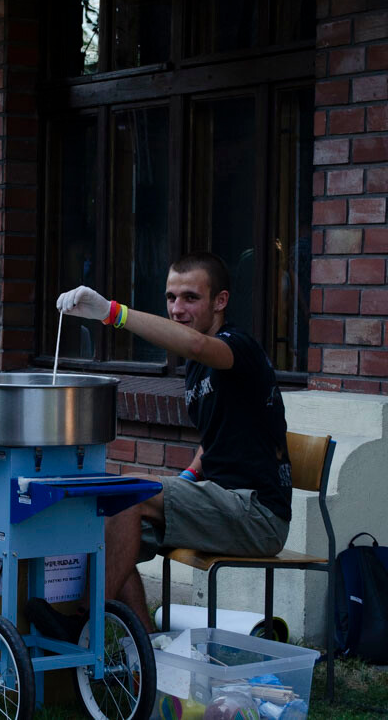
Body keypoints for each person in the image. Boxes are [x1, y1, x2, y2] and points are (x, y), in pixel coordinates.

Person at [48, 252, 292, 633]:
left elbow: (195, 345)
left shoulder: (237, 347)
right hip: (221, 500)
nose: (177, 308)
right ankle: (147, 648)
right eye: (171, 297)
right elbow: (213, 443)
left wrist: (113, 313)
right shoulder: (197, 367)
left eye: (191, 298)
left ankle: (78, 624)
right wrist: (188, 478)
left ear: (220, 301)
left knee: (127, 493)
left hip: (257, 514)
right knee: (107, 524)